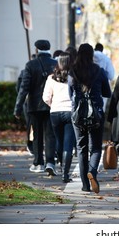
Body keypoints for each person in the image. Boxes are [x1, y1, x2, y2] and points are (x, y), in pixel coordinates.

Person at [68, 43, 112, 193]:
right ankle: (92, 172)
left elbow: (70, 93)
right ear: (92, 55)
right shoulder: (99, 71)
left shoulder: (72, 71)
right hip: (96, 114)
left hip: (78, 114)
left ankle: (85, 185)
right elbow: (107, 93)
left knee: (81, 149)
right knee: (96, 148)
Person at [14, 40, 57, 175]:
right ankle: (51, 162)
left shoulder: (30, 65)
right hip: (52, 105)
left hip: (34, 106)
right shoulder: (56, 64)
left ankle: (38, 163)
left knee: (37, 135)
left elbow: (24, 88)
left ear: (36, 50)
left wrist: (18, 108)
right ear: (49, 49)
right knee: (50, 135)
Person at [42, 52, 76, 182]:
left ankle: (61, 165)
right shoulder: (73, 76)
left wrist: (52, 105)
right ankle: (65, 174)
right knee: (68, 144)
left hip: (55, 113)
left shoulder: (51, 78)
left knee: (59, 141)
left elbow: (45, 97)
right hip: (70, 112)